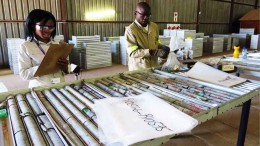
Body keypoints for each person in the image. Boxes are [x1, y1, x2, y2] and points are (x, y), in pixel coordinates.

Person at [18, 9, 68, 88]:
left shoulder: (60, 45)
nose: (48, 30)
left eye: (51, 27)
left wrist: (65, 66)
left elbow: (67, 70)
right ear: (32, 25)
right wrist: (42, 67)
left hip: (60, 86)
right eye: (43, 27)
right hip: (40, 89)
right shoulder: (26, 46)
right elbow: (24, 74)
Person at [125, 2, 170, 71]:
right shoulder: (131, 30)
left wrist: (162, 47)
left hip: (154, 65)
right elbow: (132, 52)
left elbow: (156, 42)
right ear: (135, 13)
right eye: (143, 15)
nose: (146, 17)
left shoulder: (154, 26)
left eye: (148, 15)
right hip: (139, 68)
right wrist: (152, 52)